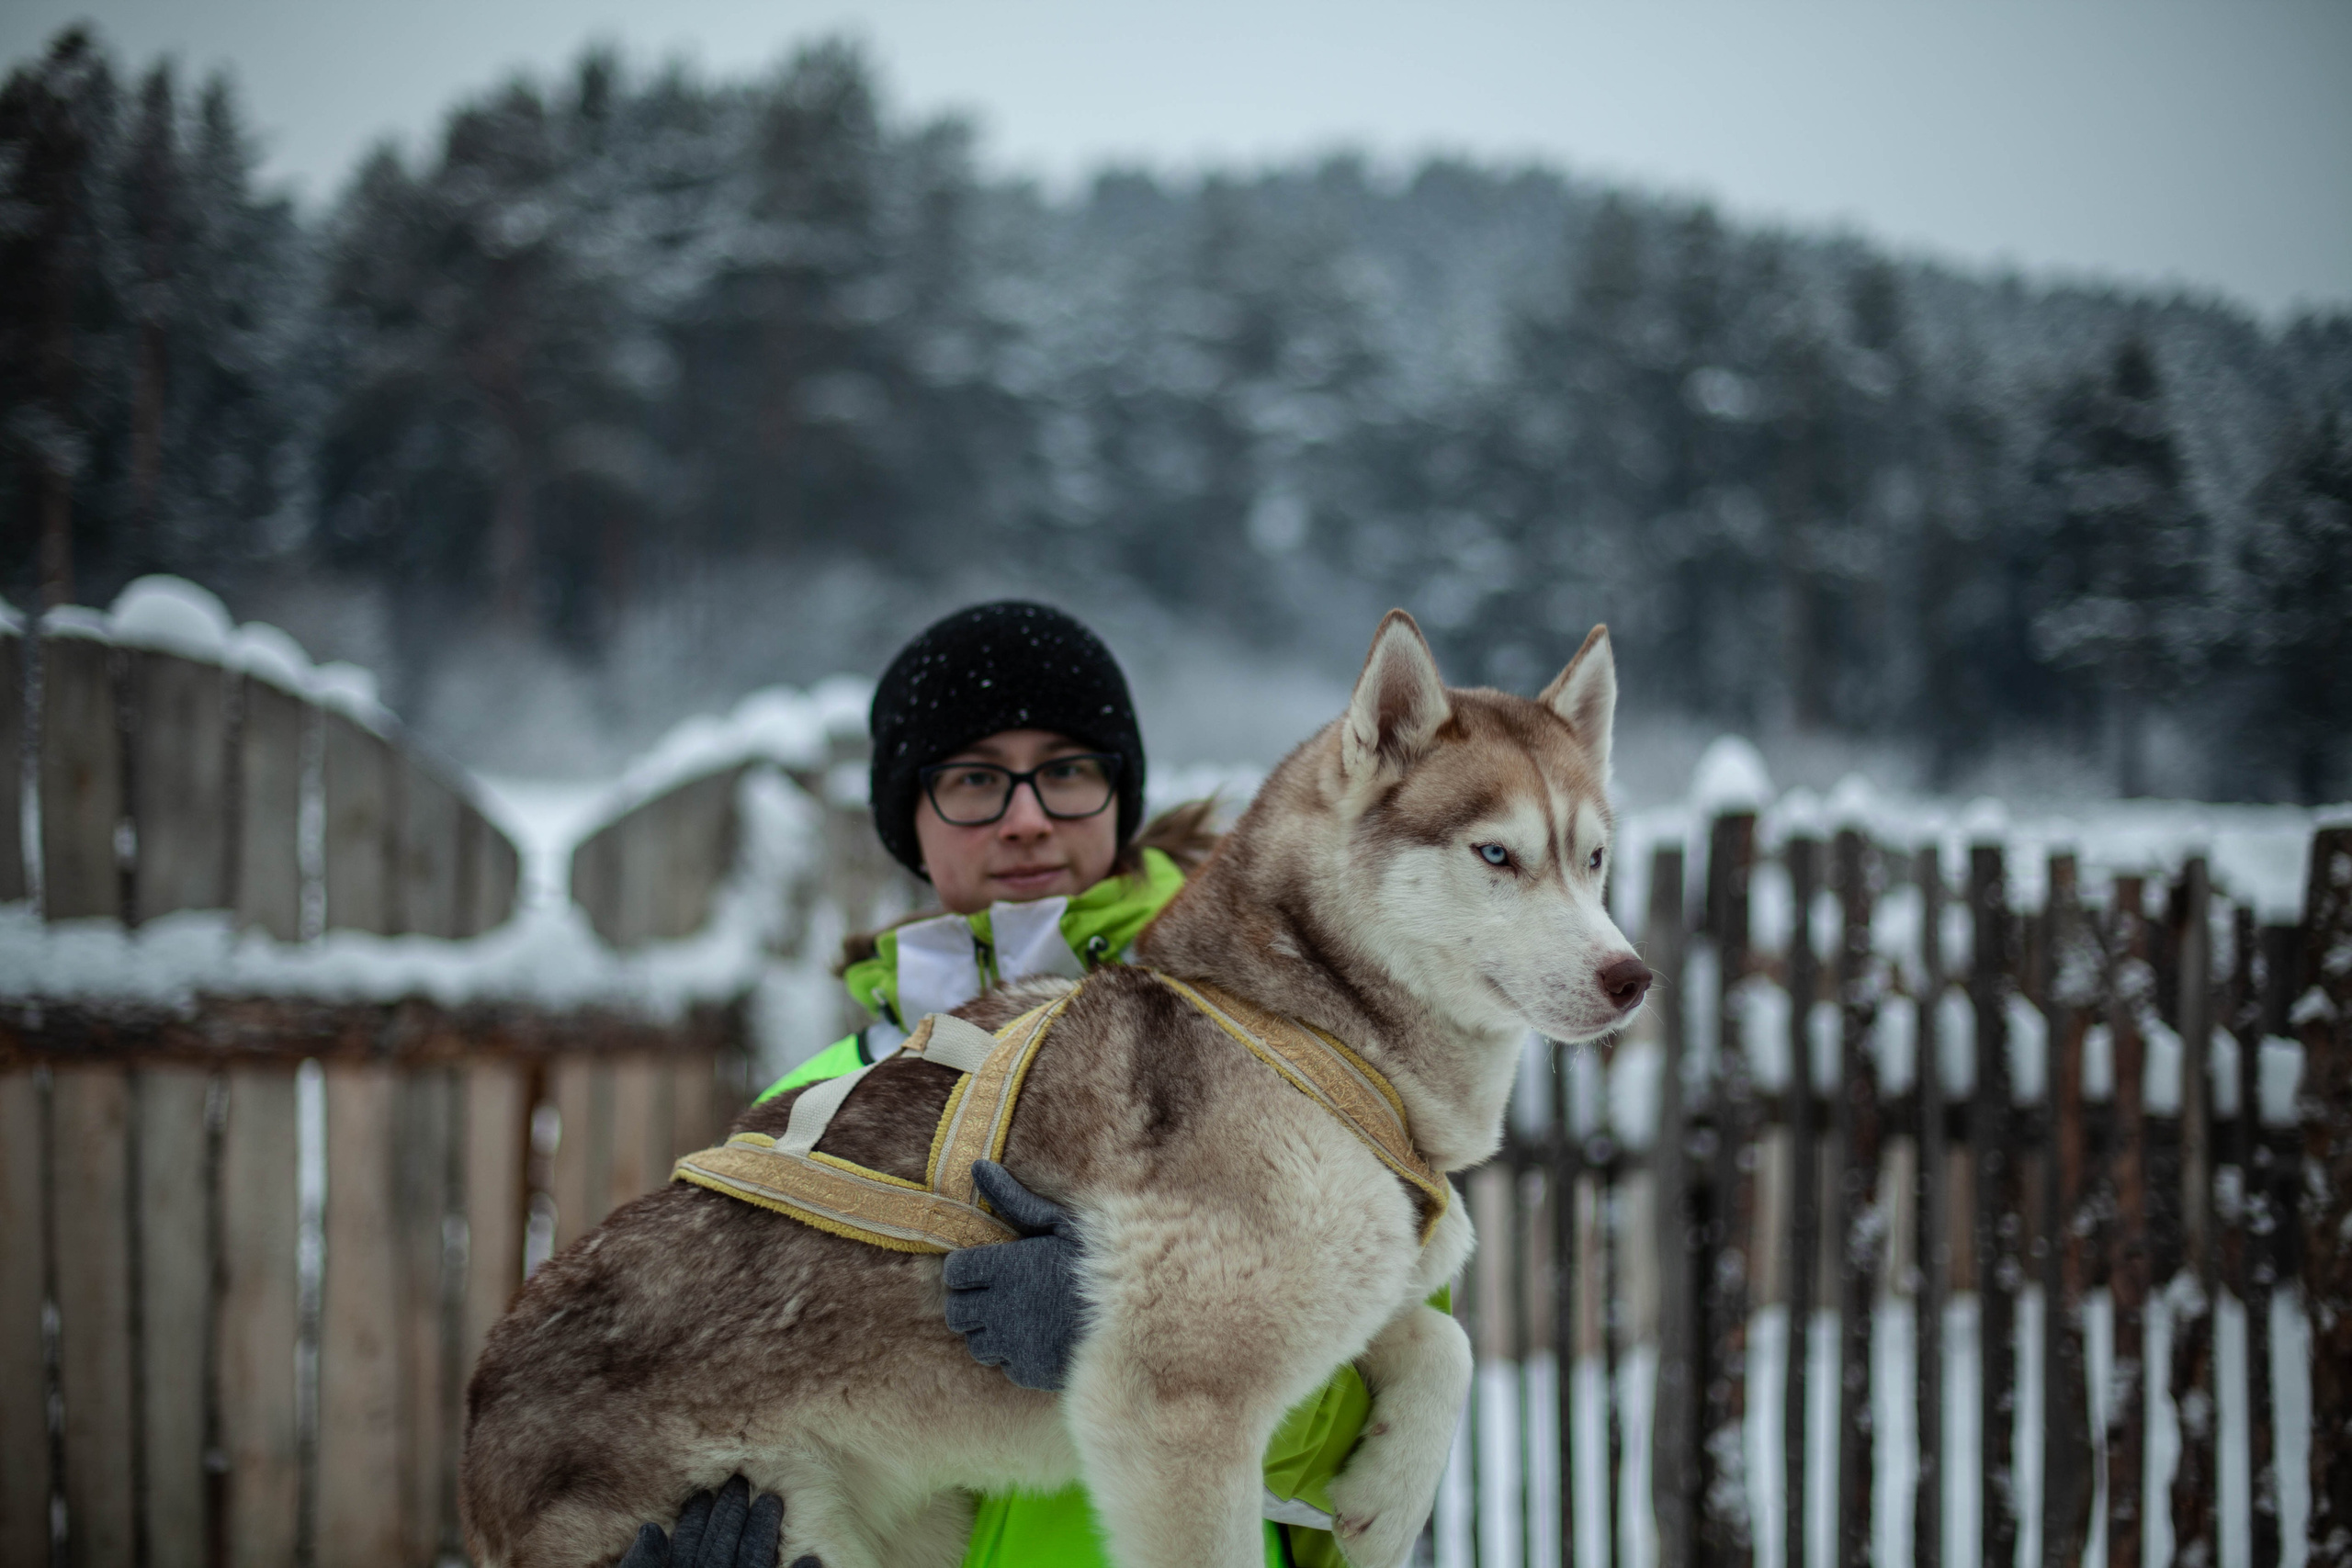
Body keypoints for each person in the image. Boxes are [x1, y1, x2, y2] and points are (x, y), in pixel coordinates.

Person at [630, 601, 1432, 1568]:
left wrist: (1150, 1345)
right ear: (908, 820)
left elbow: (1370, 1475)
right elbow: (746, 1402)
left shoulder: (1261, 1049)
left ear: (1117, 794)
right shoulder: (818, 1106)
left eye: (1066, 772)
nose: (1025, 819)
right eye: (973, 779)